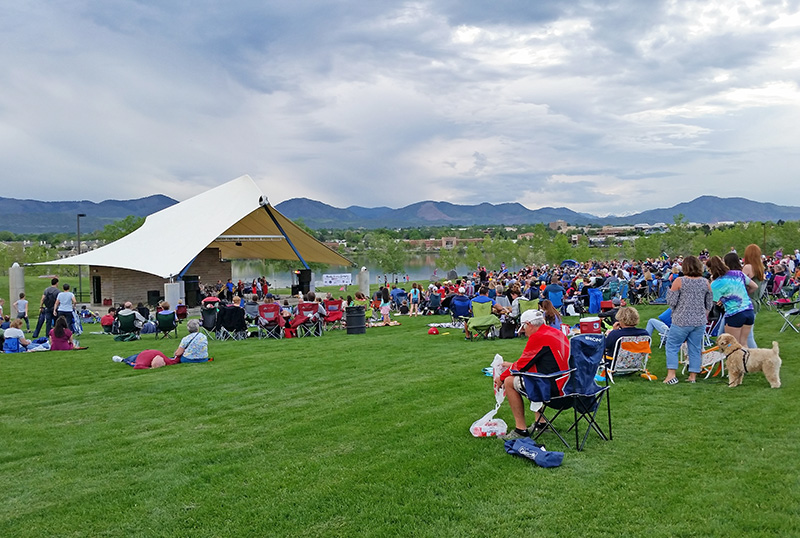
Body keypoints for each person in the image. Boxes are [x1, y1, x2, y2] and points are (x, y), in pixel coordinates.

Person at [496, 309, 570, 440]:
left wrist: (501, 377)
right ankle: (540, 424)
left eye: (523, 327)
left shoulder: (538, 336)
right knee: (533, 374)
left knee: (509, 382)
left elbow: (522, 365)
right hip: (568, 382)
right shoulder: (556, 332)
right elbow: (533, 361)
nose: (524, 331)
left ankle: (520, 430)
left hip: (555, 388)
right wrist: (511, 365)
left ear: (529, 324)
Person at [664, 256, 713, 384]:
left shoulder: (679, 281)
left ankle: (671, 375)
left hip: (681, 320)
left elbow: (671, 302)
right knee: (695, 348)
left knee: (672, 346)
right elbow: (709, 303)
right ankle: (693, 376)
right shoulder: (705, 282)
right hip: (699, 321)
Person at [709, 254, 758, 346]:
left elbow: (714, 301)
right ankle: (748, 360)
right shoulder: (738, 274)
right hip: (748, 310)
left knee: (732, 346)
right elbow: (754, 286)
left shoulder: (715, 284)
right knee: (744, 343)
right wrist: (743, 295)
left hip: (734, 313)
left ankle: (735, 360)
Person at [741, 244, 765, 348]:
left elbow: (739, 284)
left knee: (747, 336)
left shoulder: (748, 267)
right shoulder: (760, 267)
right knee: (748, 334)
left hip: (748, 302)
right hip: (756, 301)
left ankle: (757, 357)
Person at [113, 349, 180, 369]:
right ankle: (122, 360)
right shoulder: (143, 362)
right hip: (140, 356)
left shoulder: (167, 361)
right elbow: (137, 366)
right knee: (130, 361)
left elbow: (176, 359)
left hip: (149, 352)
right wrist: (149, 369)